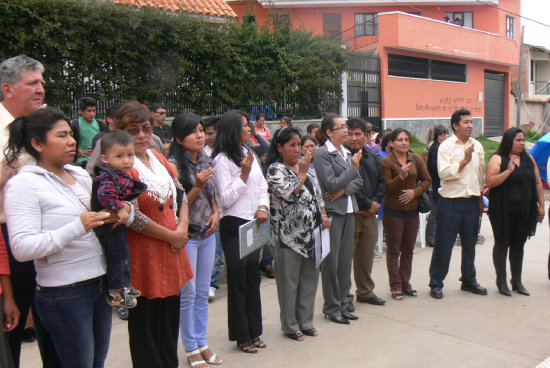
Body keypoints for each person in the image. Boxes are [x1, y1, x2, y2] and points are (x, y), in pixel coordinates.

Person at [4, 107, 115, 367]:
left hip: (99, 283)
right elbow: (21, 248)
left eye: (71, 134)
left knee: (96, 362)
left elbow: (104, 211)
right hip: (64, 292)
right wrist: (78, 226)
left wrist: (121, 213)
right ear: (37, 144)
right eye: (62, 135)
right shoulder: (23, 184)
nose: (72, 141)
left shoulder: (78, 174)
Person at [113, 101, 194, 367]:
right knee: (145, 328)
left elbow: (180, 193)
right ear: (119, 133)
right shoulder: (123, 166)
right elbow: (132, 217)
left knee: (168, 323)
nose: (141, 135)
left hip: (171, 252)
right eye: (133, 130)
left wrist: (182, 227)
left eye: (145, 128)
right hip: (144, 255)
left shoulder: (159, 159)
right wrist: (171, 236)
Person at [0, 54, 59, 368]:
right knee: (12, 324)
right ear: (8, 89)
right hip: (8, 240)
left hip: (50, 234)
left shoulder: (45, 126)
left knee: (53, 325)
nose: (41, 90)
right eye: (32, 83)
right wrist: (5, 171)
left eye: (42, 83)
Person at [168, 112, 222, 366]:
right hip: (187, 236)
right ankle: (191, 347)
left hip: (208, 234)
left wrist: (217, 213)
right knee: (188, 293)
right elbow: (177, 206)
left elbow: (214, 196)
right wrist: (197, 186)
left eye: (201, 130)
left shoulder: (206, 159)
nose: (200, 135)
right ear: (179, 138)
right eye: (193, 131)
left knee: (203, 291)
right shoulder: (173, 166)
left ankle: (202, 341)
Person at [266, 127, 330, 341]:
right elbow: (290, 195)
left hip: (312, 235)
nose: (297, 150)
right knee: (289, 283)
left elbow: (317, 195)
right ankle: (291, 326)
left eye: (298, 145)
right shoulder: (276, 170)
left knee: (309, 281)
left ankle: (306, 322)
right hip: (288, 238)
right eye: (291, 145)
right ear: (279, 147)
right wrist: (301, 173)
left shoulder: (306, 168)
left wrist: (322, 213)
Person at [212, 110, 269, 353]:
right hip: (234, 224)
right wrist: (243, 175)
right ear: (232, 130)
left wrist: (263, 206)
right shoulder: (221, 160)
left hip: (255, 221)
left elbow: (263, 186)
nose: (250, 129)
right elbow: (225, 199)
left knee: (253, 277)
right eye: (245, 126)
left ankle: (255, 331)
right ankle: (241, 335)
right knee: (238, 280)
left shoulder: (250, 153)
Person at [429, 108, 487, 299]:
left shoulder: (477, 145)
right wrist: (464, 161)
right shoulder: (445, 147)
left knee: (470, 244)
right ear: (455, 125)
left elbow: (480, 176)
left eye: (471, 122)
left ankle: (469, 280)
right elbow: (443, 174)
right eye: (466, 122)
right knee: (444, 244)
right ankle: (436, 283)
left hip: (471, 203)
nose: (470, 125)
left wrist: (479, 200)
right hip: (450, 203)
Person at [313, 113, 363, 324]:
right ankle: (331, 306)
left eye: (346, 126)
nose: (346, 130)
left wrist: (343, 191)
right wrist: (351, 169)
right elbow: (330, 184)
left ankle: (343, 303)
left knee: (344, 262)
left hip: (349, 209)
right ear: (329, 132)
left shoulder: (345, 152)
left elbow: (358, 182)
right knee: (331, 263)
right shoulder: (323, 154)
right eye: (341, 127)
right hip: (333, 213)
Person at [486, 128, 545, 296]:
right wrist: (508, 171)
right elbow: (490, 182)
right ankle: (501, 281)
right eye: (518, 140)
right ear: (509, 141)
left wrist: (541, 206)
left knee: (518, 245)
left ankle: (517, 281)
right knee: (502, 243)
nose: (522, 143)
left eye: (523, 140)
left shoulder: (529, 159)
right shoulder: (498, 159)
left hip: (524, 211)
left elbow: (538, 184)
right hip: (502, 211)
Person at [91, 130, 146, 308]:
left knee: (123, 254)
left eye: (130, 155)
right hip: (107, 225)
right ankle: (116, 292)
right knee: (116, 256)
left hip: (115, 223)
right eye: (120, 156)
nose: (126, 160)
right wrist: (120, 206)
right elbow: (105, 196)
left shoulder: (121, 174)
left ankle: (125, 285)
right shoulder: (107, 176)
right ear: (105, 159)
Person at [381, 129, 431, 300]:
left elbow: (427, 180)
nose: (403, 143)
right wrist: (401, 176)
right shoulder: (386, 162)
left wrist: (414, 192)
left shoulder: (415, 158)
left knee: (408, 249)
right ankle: (395, 286)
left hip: (412, 211)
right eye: (399, 140)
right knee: (394, 250)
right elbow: (386, 188)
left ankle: (405, 283)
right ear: (392, 143)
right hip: (393, 212)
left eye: (406, 140)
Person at [346, 118, 386, 306]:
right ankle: (344, 296)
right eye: (350, 134)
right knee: (346, 258)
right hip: (351, 213)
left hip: (371, 214)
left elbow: (381, 182)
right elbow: (350, 186)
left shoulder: (372, 157)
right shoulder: (342, 157)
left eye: (358, 134)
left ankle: (365, 291)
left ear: (366, 136)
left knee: (366, 256)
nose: (353, 138)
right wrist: (366, 204)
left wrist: (376, 202)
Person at [202, 116, 224, 301]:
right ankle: (210, 284)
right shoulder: (204, 155)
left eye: (210, 133)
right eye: (204, 133)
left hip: (230, 209)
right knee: (215, 250)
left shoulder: (230, 153)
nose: (206, 137)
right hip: (212, 209)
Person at [425, 126, 449, 247]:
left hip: (437, 184)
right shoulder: (436, 148)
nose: (447, 137)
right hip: (435, 185)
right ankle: (430, 238)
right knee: (435, 212)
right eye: (446, 135)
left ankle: (435, 236)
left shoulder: (438, 147)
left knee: (438, 212)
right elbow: (436, 168)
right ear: (440, 136)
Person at [70, 97, 107, 167]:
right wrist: (76, 150)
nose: (92, 114)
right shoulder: (75, 125)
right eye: (89, 111)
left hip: (98, 161)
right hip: (81, 161)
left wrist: (95, 150)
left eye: (94, 111)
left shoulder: (100, 125)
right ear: (81, 111)